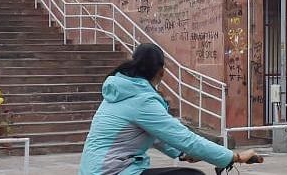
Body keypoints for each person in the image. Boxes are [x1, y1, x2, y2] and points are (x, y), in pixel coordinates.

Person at [79, 43, 258, 175]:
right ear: (161, 72)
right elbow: (185, 138)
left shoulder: (121, 92)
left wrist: (181, 154)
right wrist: (234, 157)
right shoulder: (142, 101)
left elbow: (156, 135)